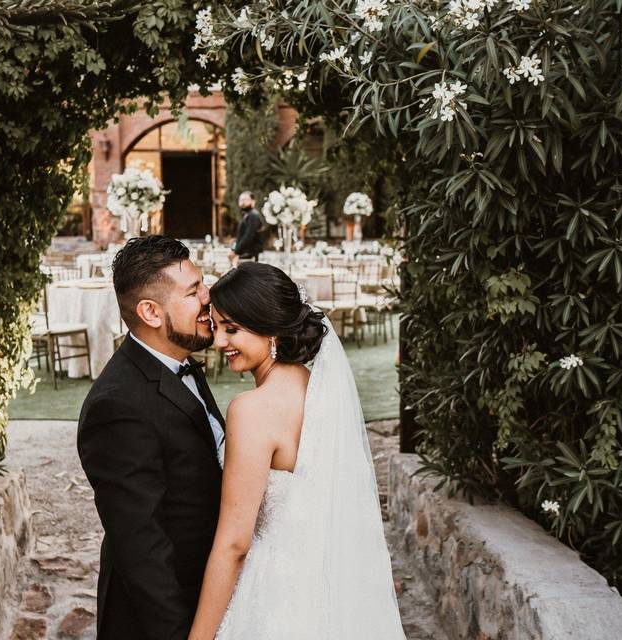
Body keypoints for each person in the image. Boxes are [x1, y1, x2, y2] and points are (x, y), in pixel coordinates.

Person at [187, 262, 406, 640]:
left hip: (273, 596)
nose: (219, 342)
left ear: (270, 328)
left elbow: (234, 544)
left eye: (232, 329)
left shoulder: (252, 410)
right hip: (324, 589)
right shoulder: (322, 393)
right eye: (217, 326)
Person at [77, 235, 226, 640]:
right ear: (151, 313)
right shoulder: (117, 407)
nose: (209, 296)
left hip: (207, 599)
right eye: (194, 291)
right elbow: (142, 549)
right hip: (162, 617)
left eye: (203, 283)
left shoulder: (181, 362)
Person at [229, 191, 264, 263]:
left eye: (245, 199)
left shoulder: (253, 215)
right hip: (246, 254)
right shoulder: (247, 215)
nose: (242, 202)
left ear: (253, 201)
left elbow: (248, 236)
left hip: (250, 255)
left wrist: (236, 252)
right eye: (240, 200)